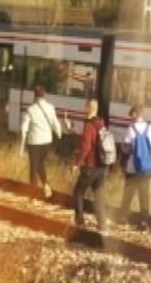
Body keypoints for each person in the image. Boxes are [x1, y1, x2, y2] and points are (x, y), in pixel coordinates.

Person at [118, 105, 151, 231]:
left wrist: (122, 147)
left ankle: (123, 218)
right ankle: (144, 222)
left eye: (131, 115)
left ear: (136, 114)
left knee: (128, 193)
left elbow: (126, 148)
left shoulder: (131, 129)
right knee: (144, 195)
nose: (130, 118)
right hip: (146, 168)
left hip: (133, 168)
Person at [71, 99, 108, 232]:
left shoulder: (89, 126)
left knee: (78, 192)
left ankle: (80, 221)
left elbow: (85, 147)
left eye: (85, 106)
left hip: (90, 166)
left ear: (88, 108)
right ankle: (102, 224)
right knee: (98, 196)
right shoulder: (101, 124)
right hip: (102, 166)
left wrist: (77, 163)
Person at [19, 86, 62, 199]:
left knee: (34, 168)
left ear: (35, 95)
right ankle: (46, 184)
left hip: (34, 142)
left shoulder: (31, 109)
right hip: (47, 142)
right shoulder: (51, 107)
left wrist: (21, 147)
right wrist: (59, 134)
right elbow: (55, 124)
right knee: (40, 164)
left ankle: (32, 196)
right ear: (45, 95)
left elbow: (24, 129)